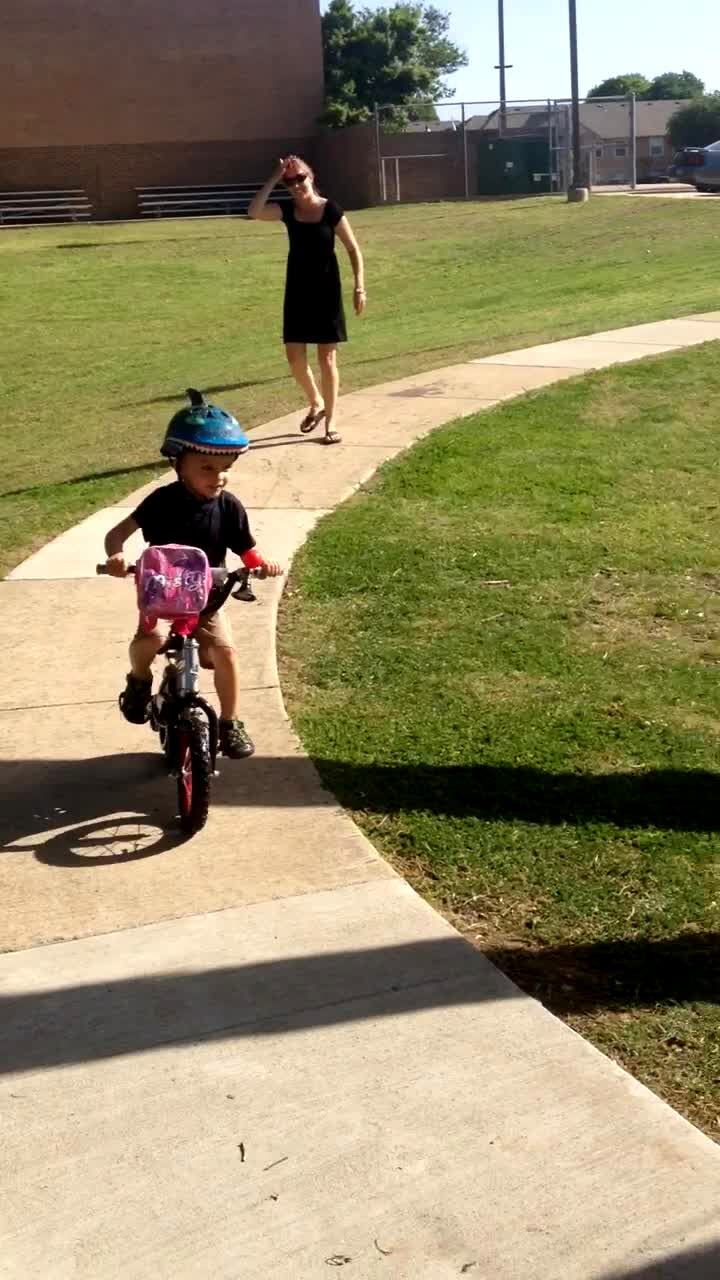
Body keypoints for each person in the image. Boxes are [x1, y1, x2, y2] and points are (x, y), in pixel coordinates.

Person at [103, 389, 283, 759]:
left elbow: (245, 548)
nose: (219, 477)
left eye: (226, 469)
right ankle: (139, 681)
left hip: (207, 599)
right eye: (207, 468)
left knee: (226, 654)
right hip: (160, 594)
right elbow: (117, 533)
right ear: (178, 463)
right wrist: (117, 556)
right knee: (149, 642)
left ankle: (231, 722)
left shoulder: (229, 507)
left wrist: (260, 564)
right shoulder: (161, 501)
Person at [248, 154, 366, 445]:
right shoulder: (287, 210)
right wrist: (276, 175)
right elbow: (253, 211)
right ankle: (316, 402)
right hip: (298, 290)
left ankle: (331, 421)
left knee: (327, 357)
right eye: (290, 181)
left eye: (300, 177)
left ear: (311, 177)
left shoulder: (331, 210)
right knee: (294, 357)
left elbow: (353, 249)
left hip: (327, 289)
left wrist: (359, 287)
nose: (296, 184)